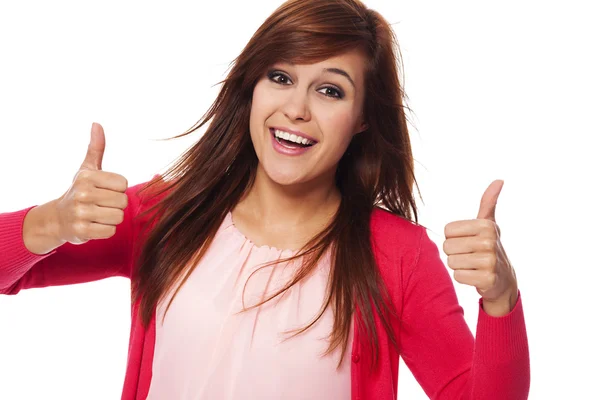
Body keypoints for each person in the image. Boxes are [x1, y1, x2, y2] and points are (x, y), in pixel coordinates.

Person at [0, 0, 530, 399]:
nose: (296, 108)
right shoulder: (167, 213)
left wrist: (501, 298)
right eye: (280, 77)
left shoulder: (398, 257)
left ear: (363, 118)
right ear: (252, 87)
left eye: (330, 90)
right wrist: (53, 221)